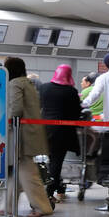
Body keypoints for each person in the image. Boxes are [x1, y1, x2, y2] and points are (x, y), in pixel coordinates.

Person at [5, 56, 54, 217]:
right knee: (17, 172)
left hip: (21, 136)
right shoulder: (28, 83)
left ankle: (42, 206)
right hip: (31, 132)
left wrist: (6, 124)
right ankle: (7, 205)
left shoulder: (14, 84)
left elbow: (16, 108)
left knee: (27, 172)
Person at [40, 63, 83, 202]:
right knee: (56, 162)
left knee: (50, 161)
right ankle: (49, 192)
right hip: (63, 132)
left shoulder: (44, 88)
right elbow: (76, 113)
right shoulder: (71, 92)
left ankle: (57, 188)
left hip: (45, 129)